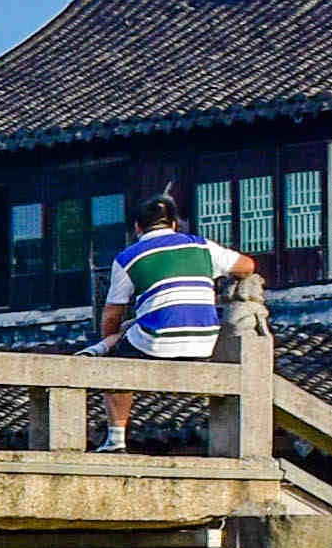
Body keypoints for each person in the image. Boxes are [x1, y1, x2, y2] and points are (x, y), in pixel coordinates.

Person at [95, 190, 259, 452]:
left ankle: (115, 440)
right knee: (131, 328)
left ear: (137, 227)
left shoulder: (127, 258)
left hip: (157, 342)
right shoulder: (202, 246)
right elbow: (247, 265)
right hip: (203, 342)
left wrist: (107, 338)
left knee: (115, 362)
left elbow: (113, 311)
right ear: (174, 224)